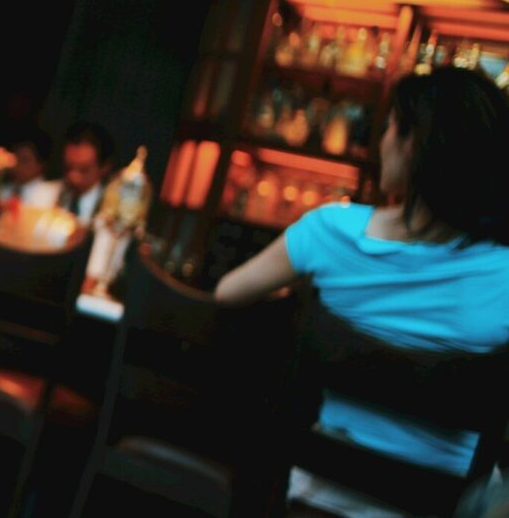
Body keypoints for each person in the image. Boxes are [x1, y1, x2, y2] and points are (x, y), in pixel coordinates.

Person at [215, 67, 509, 516]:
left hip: (317, 497)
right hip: (437, 507)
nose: (382, 141)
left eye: (390, 127)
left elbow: (228, 293)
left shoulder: (330, 232)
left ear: (412, 145)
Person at [55, 121, 115, 225]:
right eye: (68, 168)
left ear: (105, 167)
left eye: (84, 170)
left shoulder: (115, 209)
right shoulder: (47, 194)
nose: (73, 177)